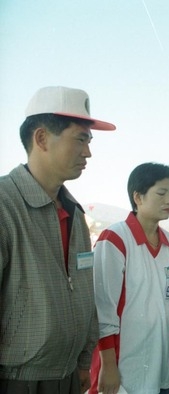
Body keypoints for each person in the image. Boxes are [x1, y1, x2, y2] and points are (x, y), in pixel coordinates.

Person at [0, 86, 115, 394]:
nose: (88, 152)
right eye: (80, 138)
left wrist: (81, 364)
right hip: (16, 381)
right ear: (41, 139)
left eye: (88, 141)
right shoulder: (5, 205)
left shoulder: (74, 214)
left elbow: (83, 292)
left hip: (68, 377)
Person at [89, 163, 169, 394]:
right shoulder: (115, 239)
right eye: (161, 193)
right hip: (124, 363)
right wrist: (109, 365)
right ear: (138, 197)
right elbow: (103, 308)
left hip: (162, 361)